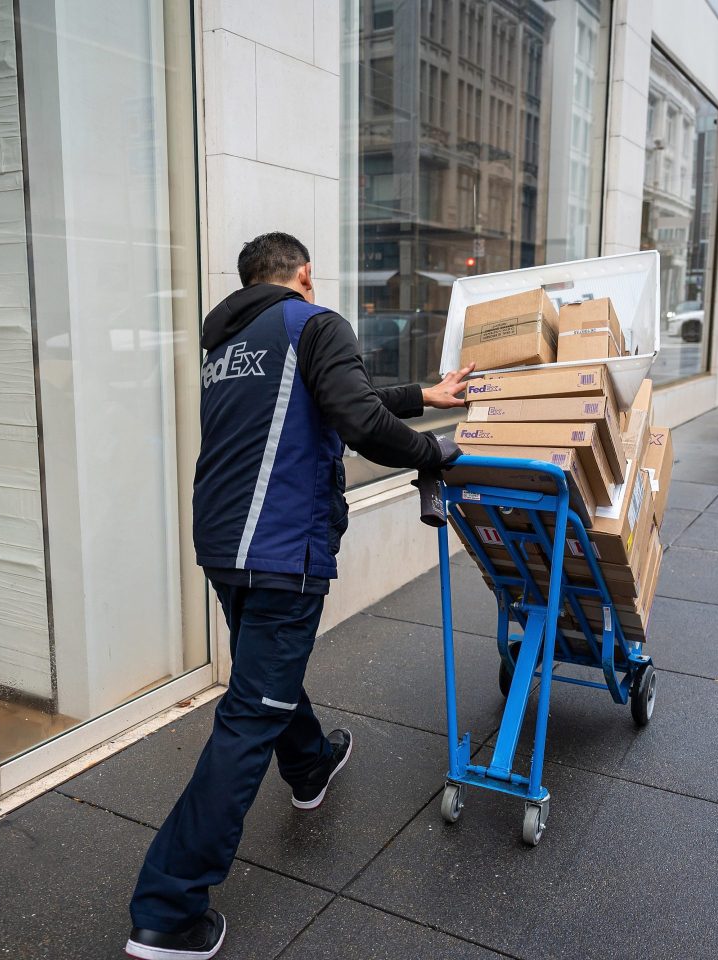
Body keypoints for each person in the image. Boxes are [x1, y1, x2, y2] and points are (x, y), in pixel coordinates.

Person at [125, 233, 470, 960]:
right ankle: (169, 907)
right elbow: (360, 421)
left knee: (264, 680)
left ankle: (310, 764)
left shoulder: (230, 345)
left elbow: (330, 396)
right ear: (304, 276)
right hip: (282, 548)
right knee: (252, 712)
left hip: (225, 544)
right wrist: (435, 447)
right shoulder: (315, 323)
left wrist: (421, 395)